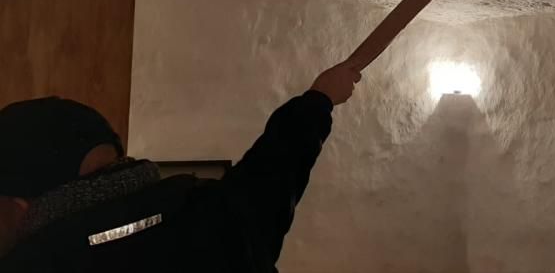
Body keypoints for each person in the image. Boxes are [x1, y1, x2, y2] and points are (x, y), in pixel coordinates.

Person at [0, 61, 362, 272]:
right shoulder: (199, 214)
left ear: (18, 205)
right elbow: (271, 176)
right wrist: (320, 99)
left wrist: (319, 101)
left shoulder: (37, 260)